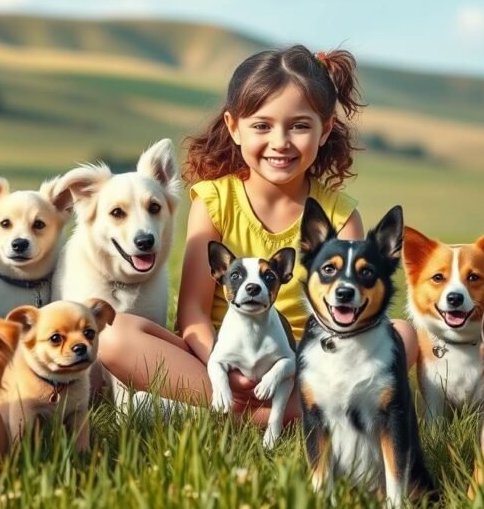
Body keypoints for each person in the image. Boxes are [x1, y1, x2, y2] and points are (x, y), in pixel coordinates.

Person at [98, 45, 419, 426]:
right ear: (234, 127)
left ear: (325, 129)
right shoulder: (214, 200)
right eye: (262, 126)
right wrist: (221, 366)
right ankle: (265, 415)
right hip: (218, 360)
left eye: (299, 126)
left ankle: (242, 415)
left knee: (402, 335)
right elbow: (194, 313)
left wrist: (290, 372)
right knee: (111, 334)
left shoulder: (339, 215)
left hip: (302, 368)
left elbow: (353, 320)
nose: (280, 142)